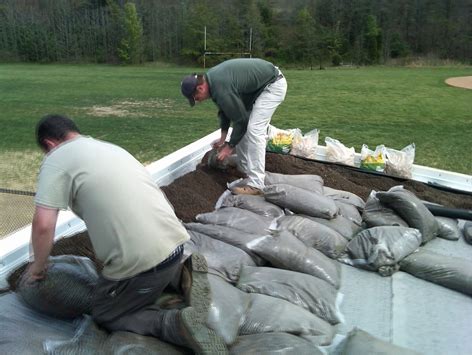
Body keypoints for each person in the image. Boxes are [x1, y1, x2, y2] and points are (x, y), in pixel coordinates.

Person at [24, 114, 227, 354]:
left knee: (107, 313)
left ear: (49, 145)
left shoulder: (56, 159)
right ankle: (179, 277)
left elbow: (44, 225)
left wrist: (38, 267)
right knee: (148, 269)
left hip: (144, 264)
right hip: (177, 245)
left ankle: (172, 323)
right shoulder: (108, 148)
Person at [181, 58, 287, 196]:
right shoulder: (212, 81)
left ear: (200, 88)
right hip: (257, 88)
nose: (197, 101)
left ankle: (256, 185)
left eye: (195, 97)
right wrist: (223, 138)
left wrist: (229, 147)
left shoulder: (220, 87)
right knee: (244, 128)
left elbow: (241, 120)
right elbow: (225, 111)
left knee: (254, 129)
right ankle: (243, 168)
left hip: (272, 85)